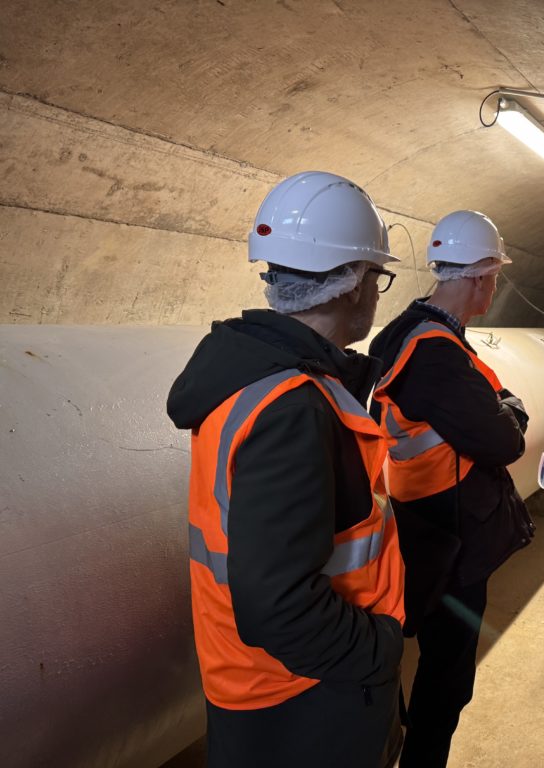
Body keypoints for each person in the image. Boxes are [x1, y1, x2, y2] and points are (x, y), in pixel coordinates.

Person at [167, 171, 406, 768]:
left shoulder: (252, 376)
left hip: (263, 685)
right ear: (353, 284)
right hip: (302, 696)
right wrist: (380, 649)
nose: (377, 294)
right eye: (378, 277)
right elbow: (278, 605)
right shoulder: (291, 406)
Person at [368, 210, 534, 767]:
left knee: (433, 665)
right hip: (452, 539)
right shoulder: (436, 354)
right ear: (481, 277)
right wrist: (510, 408)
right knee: (446, 676)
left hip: (419, 520)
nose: (493, 287)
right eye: (494, 277)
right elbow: (503, 439)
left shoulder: (405, 332)